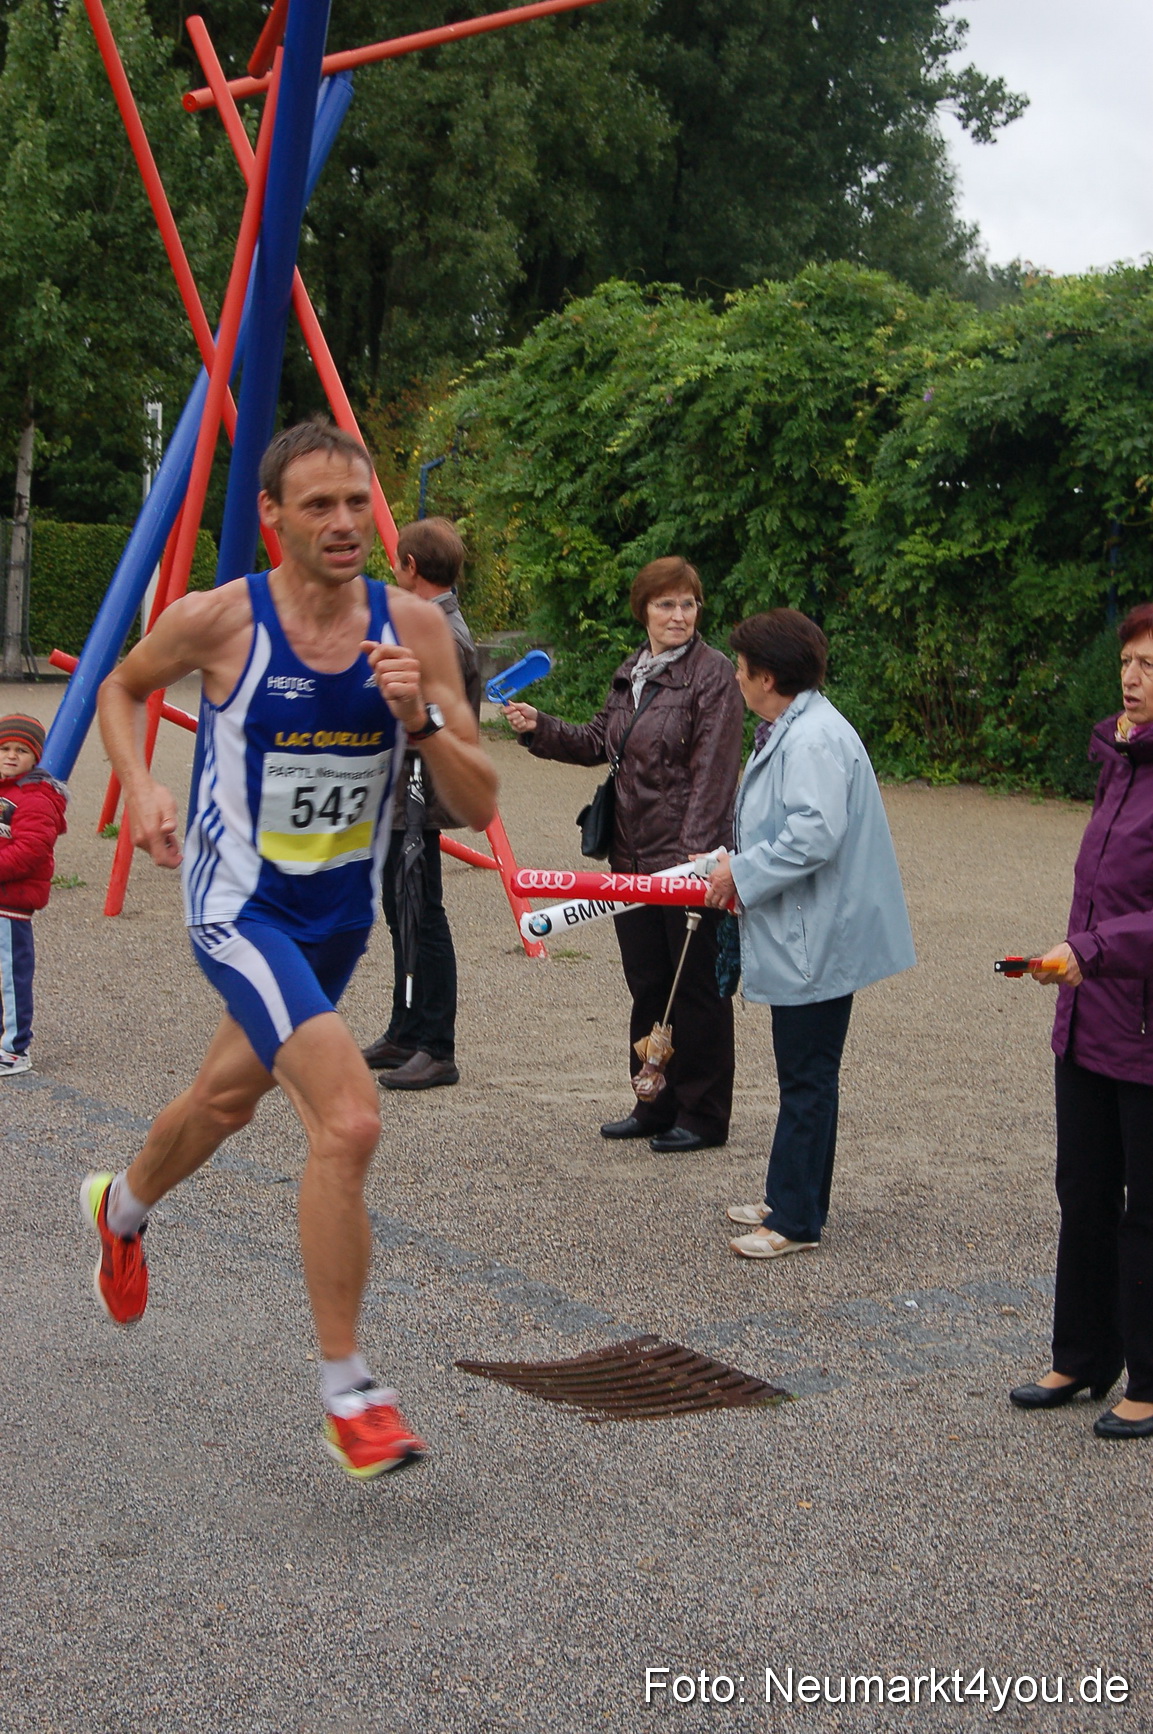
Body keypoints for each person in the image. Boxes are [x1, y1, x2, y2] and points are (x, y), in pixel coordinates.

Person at [87, 422, 497, 1479]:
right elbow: (121, 690)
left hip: (338, 922)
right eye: (318, 505)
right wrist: (138, 784)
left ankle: (121, 1210)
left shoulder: (415, 630)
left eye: (358, 503)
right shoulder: (219, 620)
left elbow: (477, 798)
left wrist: (420, 721)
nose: (345, 523)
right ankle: (350, 1392)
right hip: (239, 908)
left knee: (227, 1101)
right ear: (271, 517)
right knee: (349, 1120)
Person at [505, 557, 743, 1152]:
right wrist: (540, 726)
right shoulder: (634, 670)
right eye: (666, 604)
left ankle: (704, 1114)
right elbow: (598, 742)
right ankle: (653, 1100)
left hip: (686, 862)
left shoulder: (712, 675)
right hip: (631, 857)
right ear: (644, 610)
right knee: (647, 983)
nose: (678, 615)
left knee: (695, 988)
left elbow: (713, 772)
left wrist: (697, 861)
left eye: (688, 604)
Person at [704, 609, 915, 1259]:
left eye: (741, 669)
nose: (736, 678)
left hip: (817, 934)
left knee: (806, 1075)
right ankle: (790, 1196)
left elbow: (812, 836)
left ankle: (795, 1219)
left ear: (767, 677)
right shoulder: (798, 726)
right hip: (810, 929)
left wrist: (739, 872)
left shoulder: (812, 738)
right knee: (805, 1072)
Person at [1009, 603, 1153, 1440]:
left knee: (1148, 1211)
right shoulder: (1120, 761)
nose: (1132, 678)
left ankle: (1148, 1377)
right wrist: (1073, 961)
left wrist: (1091, 949)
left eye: (1149, 666)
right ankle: (1081, 1355)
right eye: (1128, 662)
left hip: (1143, 1027)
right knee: (1084, 1193)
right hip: (1090, 1017)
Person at [362, 517, 480, 1090]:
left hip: (418, 791)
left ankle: (437, 1045)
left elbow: (435, 719)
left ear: (410, 566)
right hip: (406, 789)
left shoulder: (440, 634)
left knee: (422, 913)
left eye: (397, 561)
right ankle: (406, 1030)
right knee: (401, 909)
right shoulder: (431, 625)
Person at [0, 714, 68, 1077]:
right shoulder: (4, 791)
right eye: (5, 748)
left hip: (12, 904)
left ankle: (14, 1049)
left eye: (21, 750)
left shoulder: (37, 798)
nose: (11, 756)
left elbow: (31, 851)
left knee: (12, 976)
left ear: (35, 757)